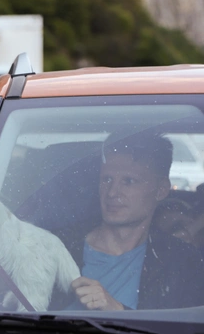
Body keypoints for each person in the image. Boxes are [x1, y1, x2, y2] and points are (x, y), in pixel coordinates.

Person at [67, 131, 204, 311]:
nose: (112, 192)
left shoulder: (183, 263)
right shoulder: (60, 246)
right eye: (107, 179)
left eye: (129, 181)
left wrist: (117, 310)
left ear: (161, 190)